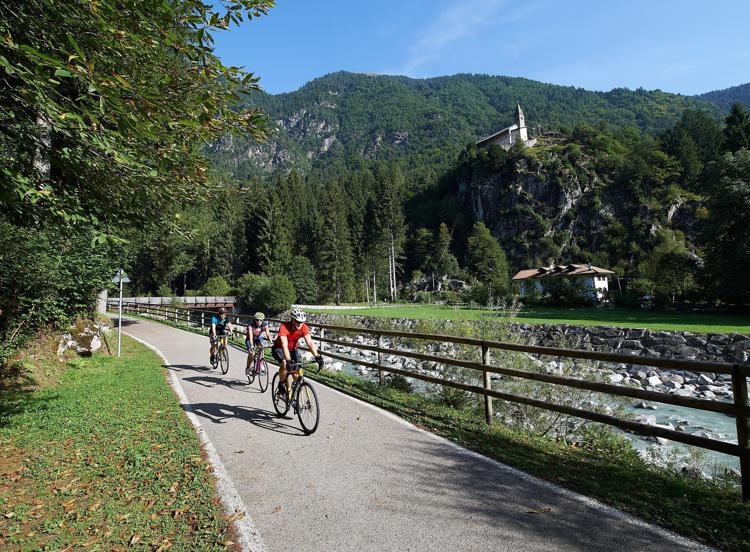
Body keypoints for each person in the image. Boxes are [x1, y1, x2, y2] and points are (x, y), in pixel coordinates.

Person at [272, 308, 323, 395]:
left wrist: (317, 356)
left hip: (293, 349)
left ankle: (295, 397)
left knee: (296, 374)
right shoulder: (284, 327)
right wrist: (288, 360)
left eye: (302, 322)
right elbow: (284, 345)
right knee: (284, 363)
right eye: (298, 321)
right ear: (292, 320)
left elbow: (310, 342)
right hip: (279, 348)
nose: (300, 324)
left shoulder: (303, 327)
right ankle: (281, 383)